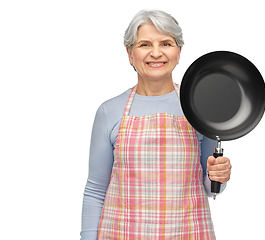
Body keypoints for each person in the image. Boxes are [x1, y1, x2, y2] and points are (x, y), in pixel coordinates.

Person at [80, 9, 232, 240]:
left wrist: (218, 177)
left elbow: (210, 187)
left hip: (188, 233)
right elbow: (95, 190)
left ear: (179, 52)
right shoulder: (109, 111)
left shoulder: (201, 107)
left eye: (166, 43)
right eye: (144, 45)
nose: (156, 53)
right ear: (130, 53)